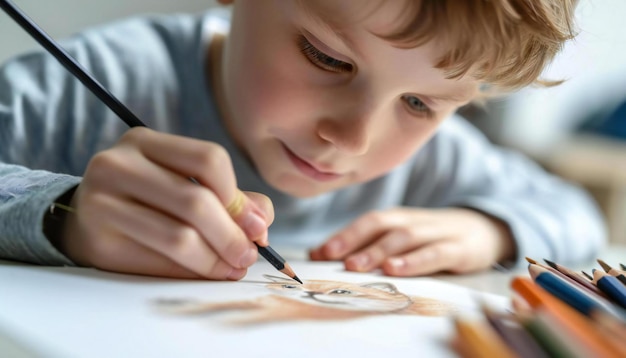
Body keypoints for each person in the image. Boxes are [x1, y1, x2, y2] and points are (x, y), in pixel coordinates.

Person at [0, 0, 606, 280]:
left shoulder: (435, 163)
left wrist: (486, 228)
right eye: (327, 58)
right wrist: (60, 212)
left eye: (420, 104)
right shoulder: (79, 89)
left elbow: (573, 212)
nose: (353, 138)